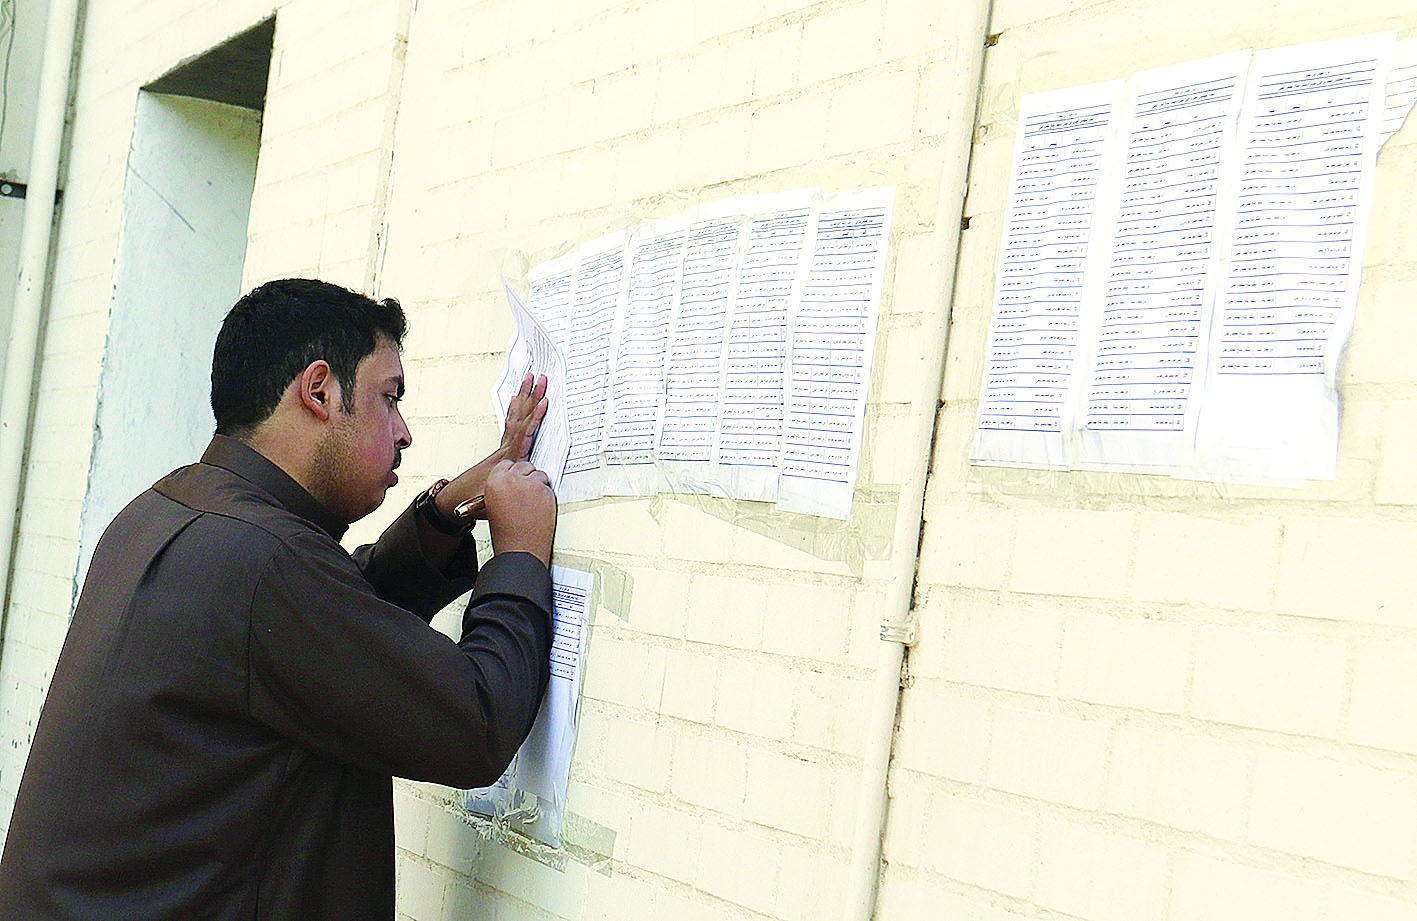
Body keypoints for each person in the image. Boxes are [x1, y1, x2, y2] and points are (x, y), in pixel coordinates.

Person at [0, 278, 558, 919]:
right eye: (389, 398)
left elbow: (328, 624)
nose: (404, 433)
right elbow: (477, 722)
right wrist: (520, 554)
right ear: (319, 391)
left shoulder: (168, 510)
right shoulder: (265, 562)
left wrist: (447, 508)